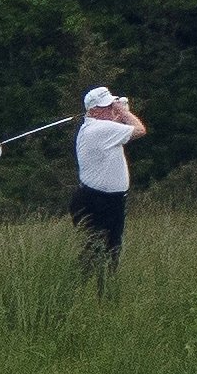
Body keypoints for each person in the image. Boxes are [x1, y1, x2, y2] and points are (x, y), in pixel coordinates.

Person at [69, 86, 146, 290]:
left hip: (96, 198)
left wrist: (117, 113)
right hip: (101, 201)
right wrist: (124, 112)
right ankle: (92, 290)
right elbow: (140, 130)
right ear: (93, 111)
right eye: (106, 107)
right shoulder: (100, 130)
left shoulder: (95, 128)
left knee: (101, 248)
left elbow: (116, 127)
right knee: (103, 250)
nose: (110, 108)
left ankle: (88, 289)